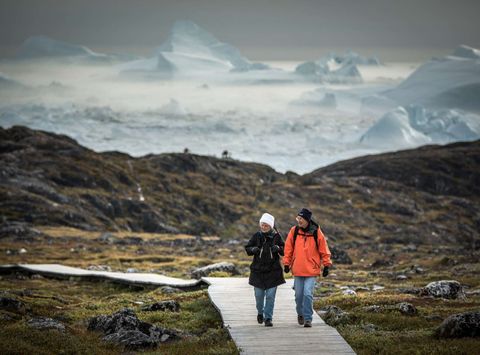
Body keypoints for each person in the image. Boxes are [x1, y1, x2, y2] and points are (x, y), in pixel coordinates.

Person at [283, 208, 332, 328]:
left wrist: (326, 265)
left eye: (301, 219)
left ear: (307, 220)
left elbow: (323, 249)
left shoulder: (316, 232)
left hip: (311, 270)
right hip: (298, 269)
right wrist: (286, 263)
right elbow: (288, 248)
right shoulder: (294, 231)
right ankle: (300, 314)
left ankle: (308, 319)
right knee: (298, 296)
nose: (299, 221)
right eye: (298, 218)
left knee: (308, 294)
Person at [245, 212, 285, 327]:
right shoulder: (256, 236)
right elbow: (247, 248)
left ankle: (268, 318)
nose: (263, 227)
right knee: (259, 296)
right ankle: (260, 312)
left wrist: (278, 248)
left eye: (266, 225)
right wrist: (253, 249)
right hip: (258, 271)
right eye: (262, 224)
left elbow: (285, 250)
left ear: (271, 226)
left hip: (273, 271)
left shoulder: (277, 236)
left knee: (270, 296)